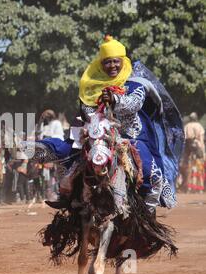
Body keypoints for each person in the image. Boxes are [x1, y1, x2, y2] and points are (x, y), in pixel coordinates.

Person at [32, 35, 184, 213]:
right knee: (68, 156)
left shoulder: (136, 84)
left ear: (123, 61)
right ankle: (66, 196)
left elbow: (134, 104)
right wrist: (92, 118)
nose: (112, 66)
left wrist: (115, 99)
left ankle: (147, 214)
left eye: (115, 61)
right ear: (101, 64)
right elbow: (86, 110)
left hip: (130, 138)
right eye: (107, 62)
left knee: (151, 172)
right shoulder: (91, 86)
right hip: (97, 134)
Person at [181, 112, 205, 192]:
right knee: (198, 167)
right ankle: (199, 188)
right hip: (197, 147)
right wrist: (202, 150)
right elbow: (201, 139)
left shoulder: (187, 126)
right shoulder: (199, 126)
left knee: (188, 167)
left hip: (187, 148)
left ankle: (188, 187)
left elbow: (183, 138)